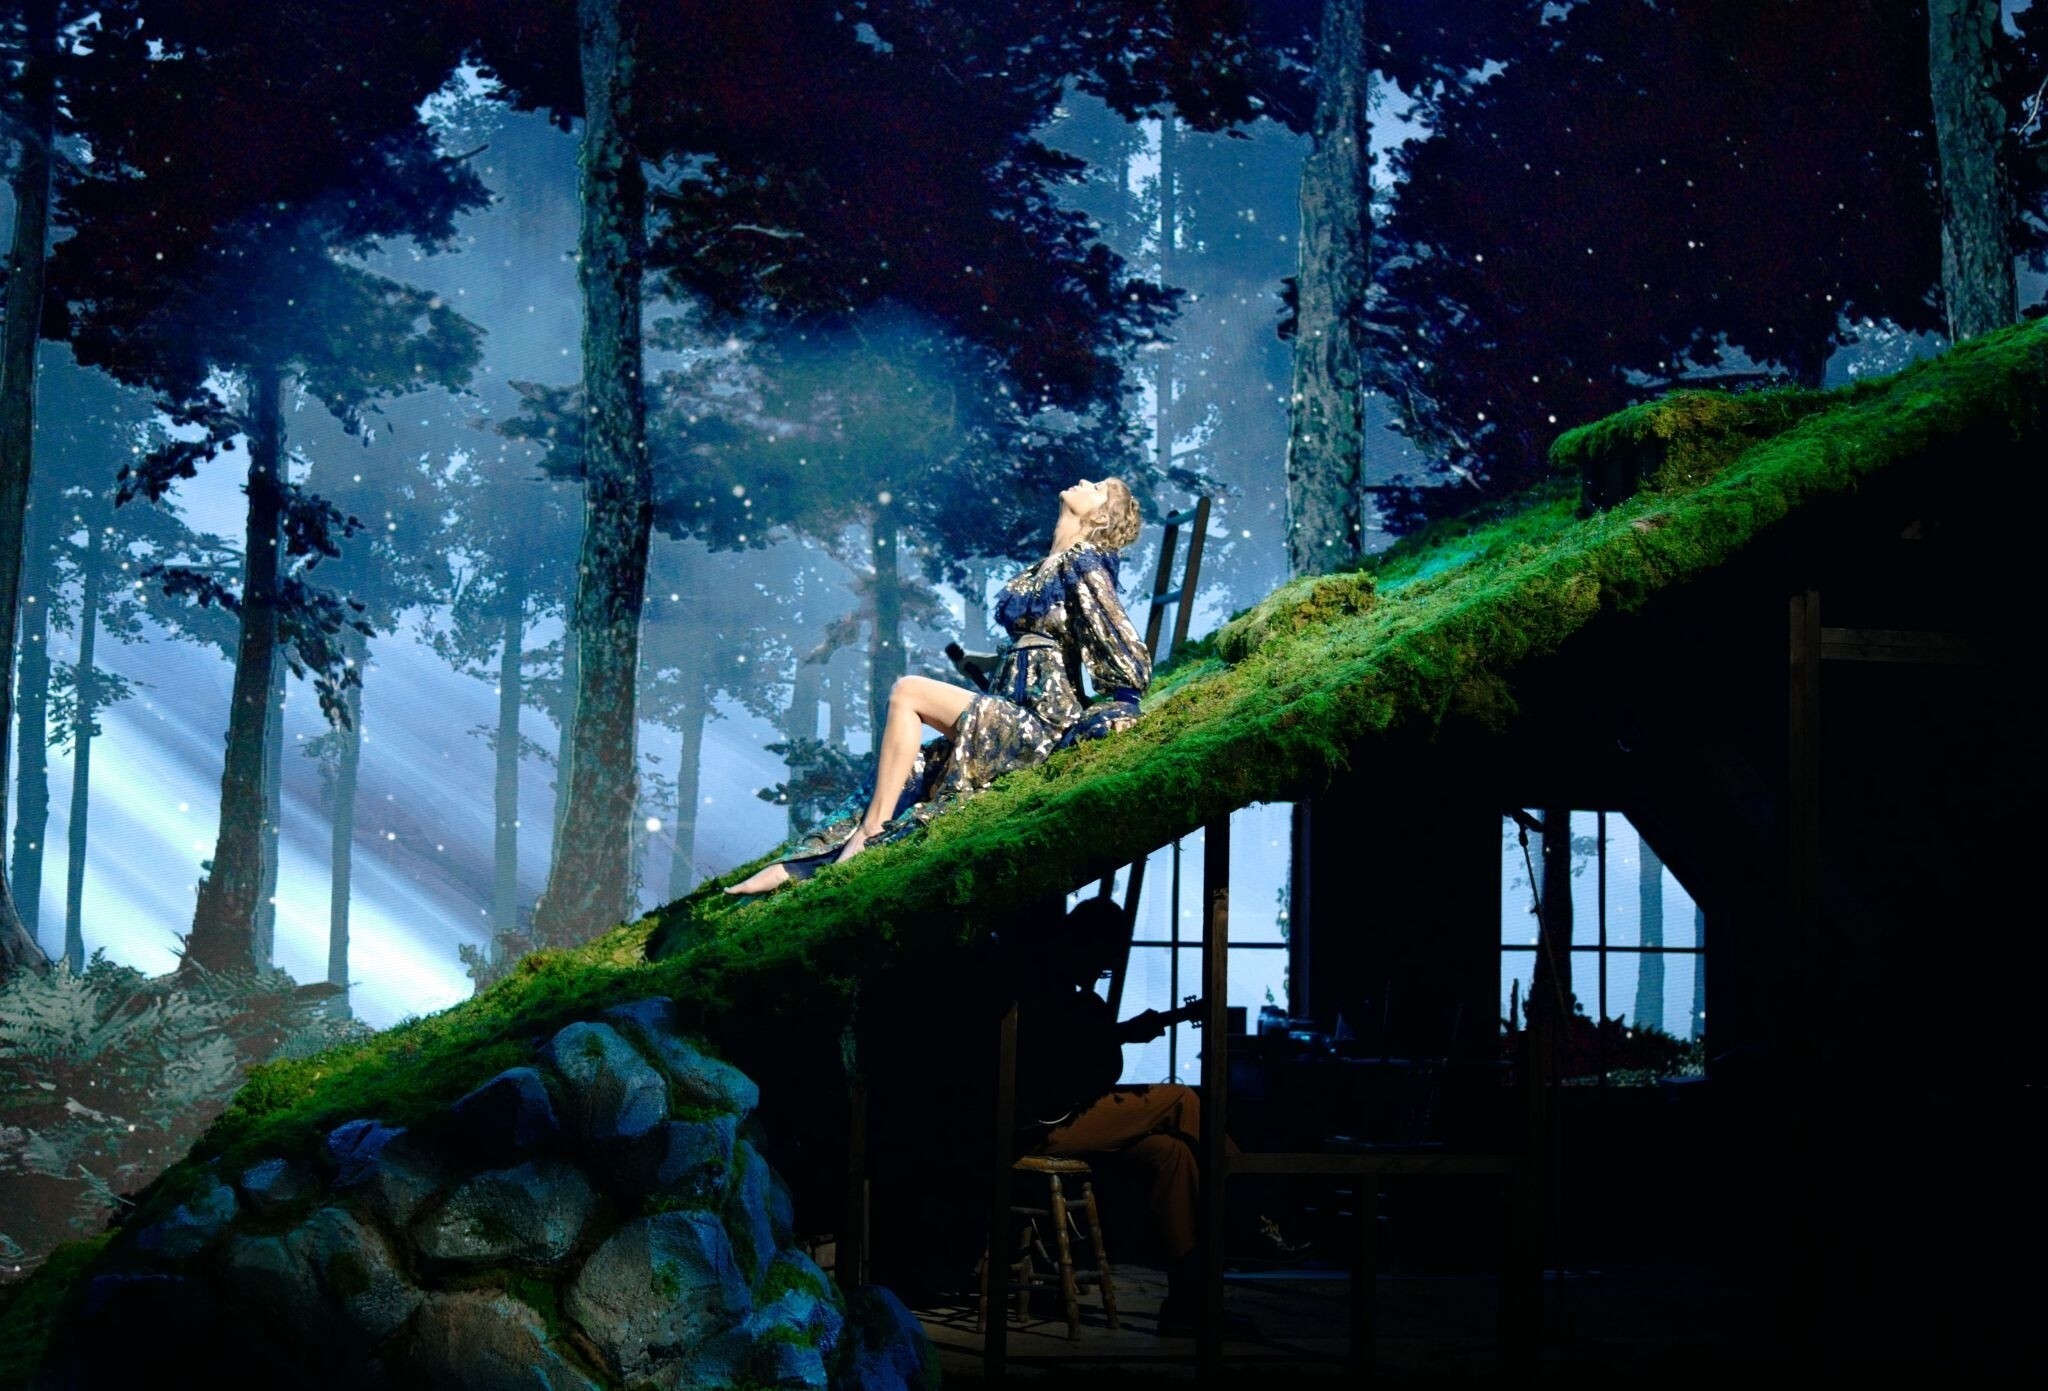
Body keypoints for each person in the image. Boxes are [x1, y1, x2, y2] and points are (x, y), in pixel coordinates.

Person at [727, 476, 1151, 895]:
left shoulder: (1084, 562)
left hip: (1040, 726)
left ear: (1100, 517)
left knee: (908, 691)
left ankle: (869, 833)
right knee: (913, 768)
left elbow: (1118, 641)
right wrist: (988, 662)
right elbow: (1046, 647)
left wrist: (1124, 702)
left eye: (1097, 487)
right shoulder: (1047, 566)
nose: (1084, 481)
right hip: (1012, 712)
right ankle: (797, 867)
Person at [1010, 895, 1243, 1337]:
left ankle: (1186, 1302)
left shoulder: (1073, 996)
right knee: (1182, 1101)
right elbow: (1050, 1058)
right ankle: (1252, 1201)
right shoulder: (1041, 983)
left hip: (1062, 1118)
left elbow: (1088, 1067)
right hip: (1037, 1126)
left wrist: (1115, 1035)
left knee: (1172, 1153)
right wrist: (1118, 1034)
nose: (1101, 971)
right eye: (1100, 961)